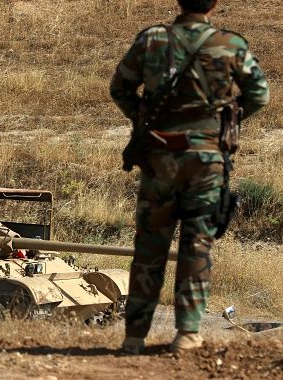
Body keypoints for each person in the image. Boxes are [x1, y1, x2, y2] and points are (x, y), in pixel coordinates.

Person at [110, 0, 269, 354]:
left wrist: (144, 120)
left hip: (159, 157)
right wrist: (226, 121)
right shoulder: (230, 44)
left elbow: (120, 88)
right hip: (206, 160)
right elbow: (260, 95)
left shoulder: (152, 39)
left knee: (150, 245)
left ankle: (134, 337)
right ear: (214, 4)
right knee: (197, 244)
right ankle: (187, 335)